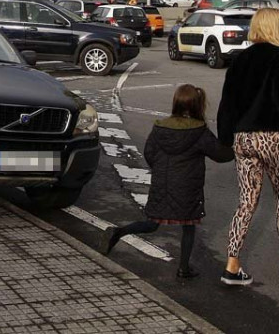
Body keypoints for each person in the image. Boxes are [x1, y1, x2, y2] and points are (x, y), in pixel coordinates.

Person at [97, 85, 234, 279]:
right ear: (198, 106)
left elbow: (149, 153)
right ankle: (183, 268)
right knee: (188, 226)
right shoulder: (199, 131)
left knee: (152, 223)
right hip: (187, 188)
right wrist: (234, 145)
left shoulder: (160, 126)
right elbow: (220, 155)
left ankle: (118, 232)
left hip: (162, 184)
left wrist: (161, 171)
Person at [217, 8, 279, 286]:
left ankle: (232, 264)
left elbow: (227, 103)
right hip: (272, 137)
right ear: (276, 28)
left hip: (243, 138)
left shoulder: (240, 58)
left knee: (246, 201)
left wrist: (225, 138)